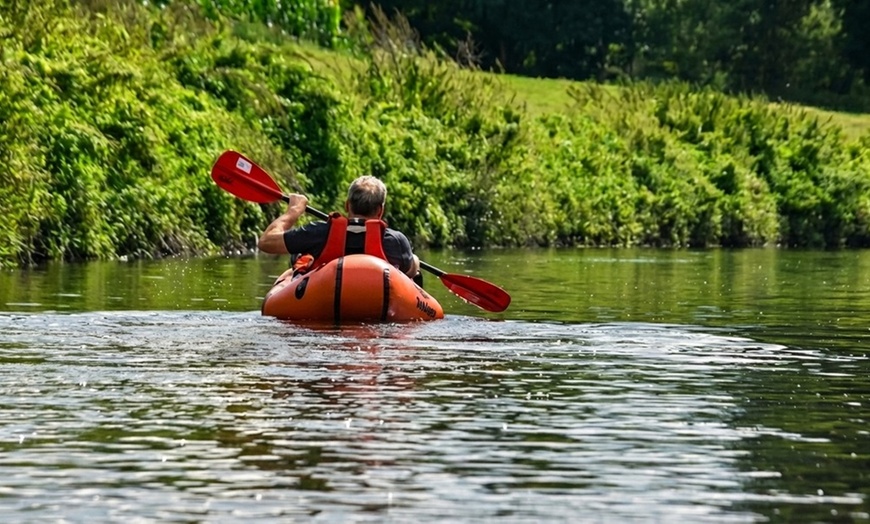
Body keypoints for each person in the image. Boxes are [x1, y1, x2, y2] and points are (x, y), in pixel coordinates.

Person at [257, 175, 422, 281]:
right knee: (414, 264)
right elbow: (410, 272)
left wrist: (294, 211)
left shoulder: (320, 232)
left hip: (324, 301)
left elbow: (266, 242)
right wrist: (414, 261)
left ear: (347, 205)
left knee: (298, 261)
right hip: (377, 305)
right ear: (380, 211)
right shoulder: (396, 241)